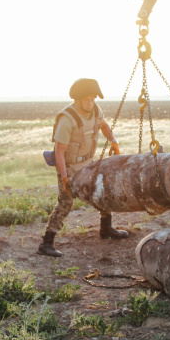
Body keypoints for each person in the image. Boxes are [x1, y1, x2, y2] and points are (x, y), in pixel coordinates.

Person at [38, 78, 129, 257]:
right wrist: (64, 177)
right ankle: (46, 243)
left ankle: (106, 228)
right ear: (77, 99)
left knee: (103, 191)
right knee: (66, 202)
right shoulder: (67, 118)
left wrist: (113, 140)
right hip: (69, 165)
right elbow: (59, 152)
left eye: (93, 98)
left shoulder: (95, 110)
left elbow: (103, 125)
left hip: (89, 162)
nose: (90, 102)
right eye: (87, 99)